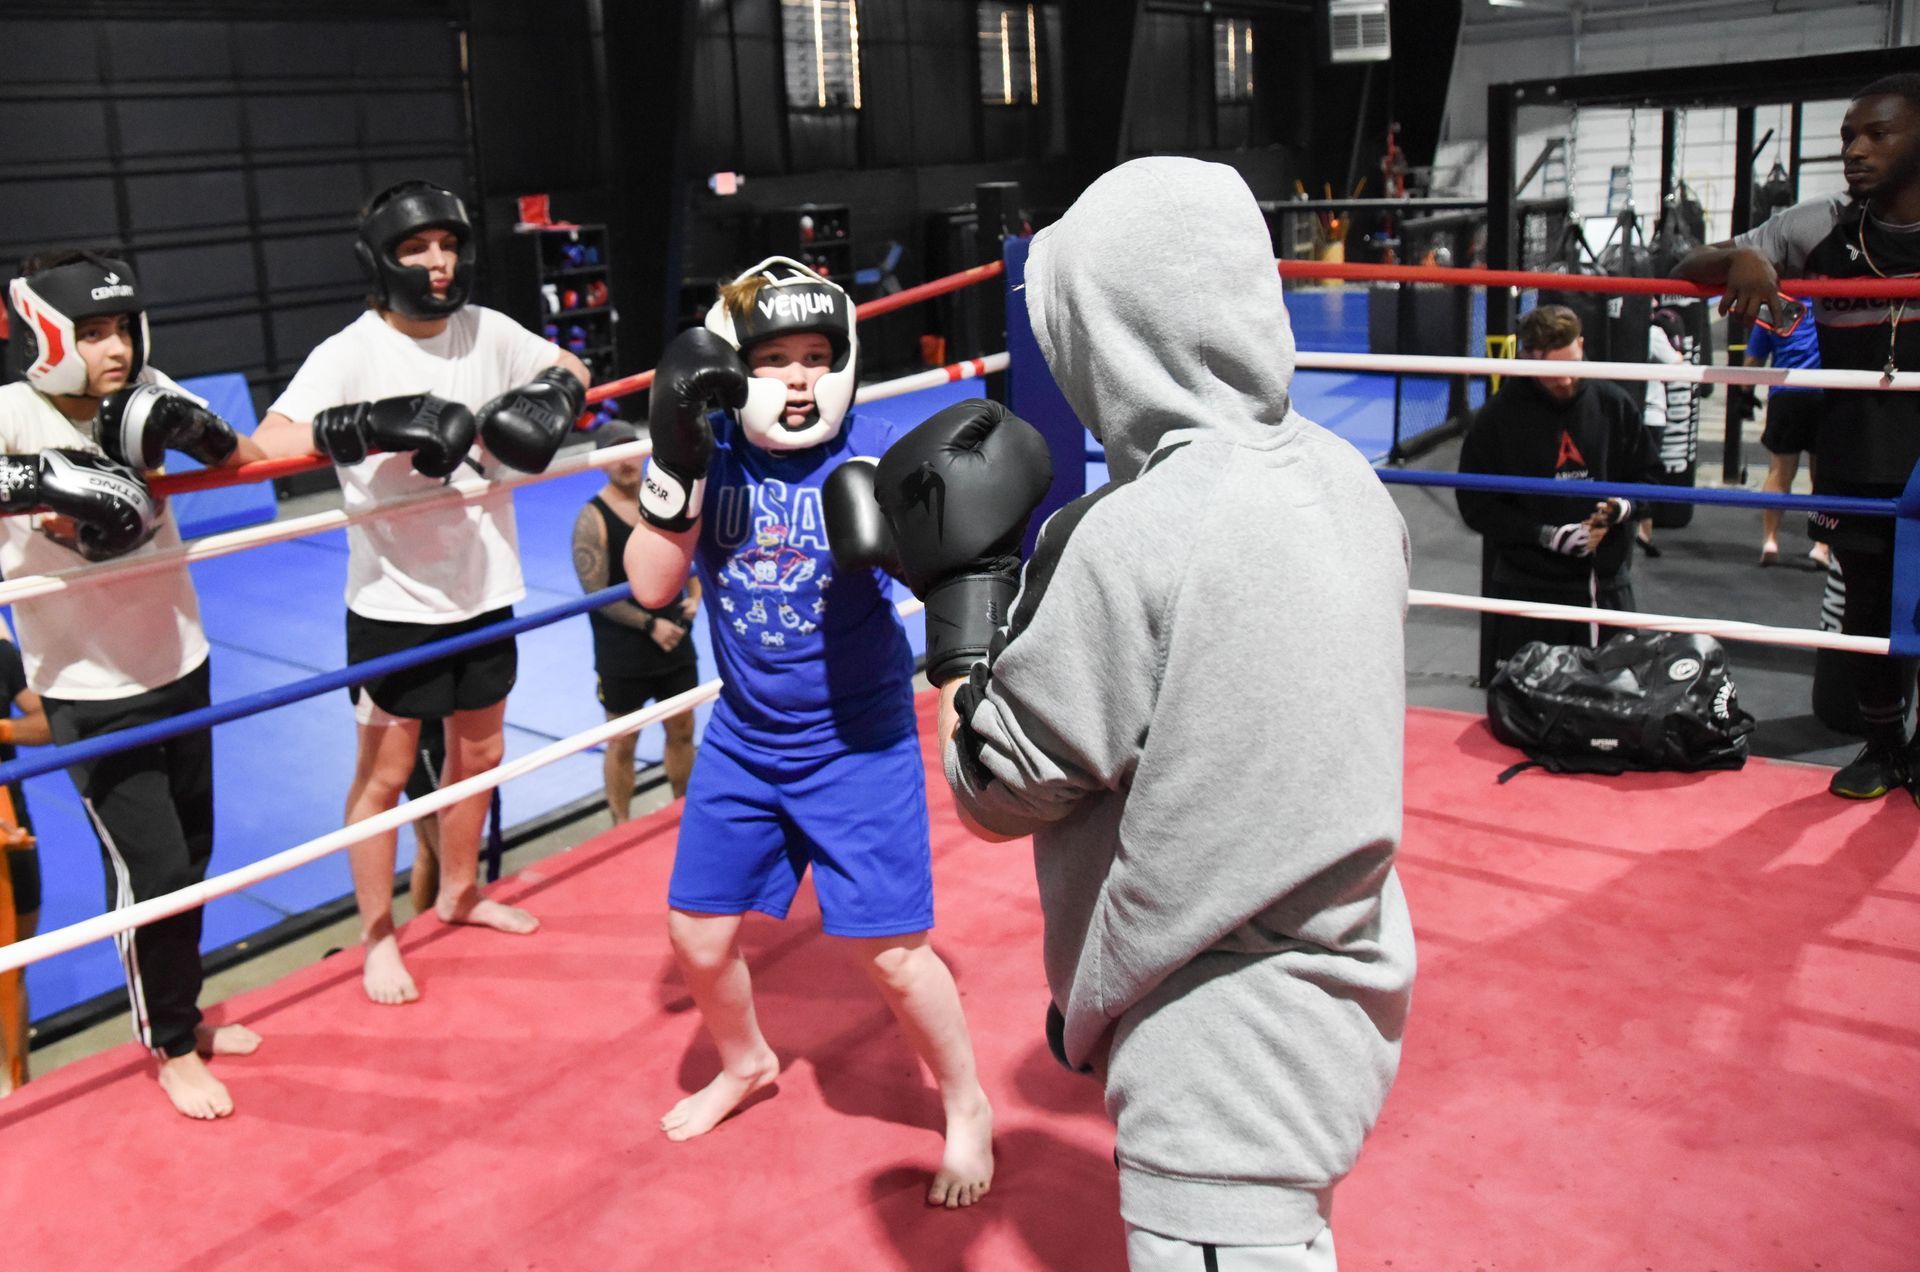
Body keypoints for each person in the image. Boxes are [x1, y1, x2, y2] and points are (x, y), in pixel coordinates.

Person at [870, 156, 1415, 1269]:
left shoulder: (1138, 535)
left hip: (1218, 1048)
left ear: (1105, 333)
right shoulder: (1347, 482)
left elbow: (997, 786)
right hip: (1344, 983)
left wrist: (957, 619)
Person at [622, 257, 994, 1208]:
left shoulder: (874, 463)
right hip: (746, 742)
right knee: (697, 936)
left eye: (814, 356)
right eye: (773, 357)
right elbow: (652, 587)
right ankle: (747, 1062)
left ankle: (966, 1104)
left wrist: (938, 557)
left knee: (895, 956)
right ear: (732, 365)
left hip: (856, 747)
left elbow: (952, 590)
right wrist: (672, 463)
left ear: (846, 362)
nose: (795, 376)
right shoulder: (709, 458)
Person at [250, 180, 591, 1003]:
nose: (437, 263)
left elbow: (570, 361)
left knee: (480, 754)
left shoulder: (485, 329)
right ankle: (376, 935)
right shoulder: (351, 351)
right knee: (387, 773)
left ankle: (459, 891)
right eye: (416, 248)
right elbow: (266, 443)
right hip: (394, 606)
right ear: (382, 259)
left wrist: (557, 394)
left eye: (447, 245)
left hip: (485, 589)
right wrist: (361, 424)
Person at [0, 248, 268, 1118]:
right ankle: (170, 1046)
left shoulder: (144, 389)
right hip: (87, 684)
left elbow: (243, 452)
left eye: (120, 326)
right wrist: (43, 479)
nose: (113, 347)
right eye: (90, 331)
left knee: (191, 858)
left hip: (180, 659)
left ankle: (182, 1014)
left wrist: (203, 431)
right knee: (149, 868)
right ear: (46, 335)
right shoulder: (11, 415)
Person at [1676, 72, 1920, 803]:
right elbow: (1688, 267)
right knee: (1868, 610)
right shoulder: (1816, 225)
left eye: (1879, 134)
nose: (1856, 149)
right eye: (1850, 135)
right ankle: (1882, 748)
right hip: (1854, 451)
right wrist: (1744, 258)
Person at [1457, 304, 1665, 683]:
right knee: (1526, 708)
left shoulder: (1613, 403)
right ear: (1528, 360)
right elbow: (1475, 506)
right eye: (1554, 378)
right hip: (1528, 586)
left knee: (1614, 702)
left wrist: (1621, 509)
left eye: (1572, 369)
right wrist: (1544, 534)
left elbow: (1652, 479)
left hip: (1603, 583)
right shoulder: (1498, 417)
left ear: (1582, 344)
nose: (1566, 383)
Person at [570, 421, 700, 815]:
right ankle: (620, 826)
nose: (626, 461)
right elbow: (595, 595)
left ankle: (683, 813)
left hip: (675, 639)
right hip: (622, 650)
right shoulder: (591, 519)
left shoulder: (666, 502)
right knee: (623, 741)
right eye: (616, 454)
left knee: (682, 732)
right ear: (602, 464)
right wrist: (649, 624)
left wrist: (695, 595)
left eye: (632, 450)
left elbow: (691, 552)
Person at [0, 628, 50, 1095]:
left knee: (12, 968)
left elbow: (50, 720)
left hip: (10, 829)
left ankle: (16, 1088)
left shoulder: (2, 655)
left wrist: (2, 728)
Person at [1743, 299, 1825, 567]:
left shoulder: (1774, 305)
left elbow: (1754, 358)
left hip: (1786, 394)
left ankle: (1770, 540)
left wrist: (1744, 393)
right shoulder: (1830, 304)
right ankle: (1822, 546)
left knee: (1779, 471)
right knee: (1822, 475)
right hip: (1825, 390)